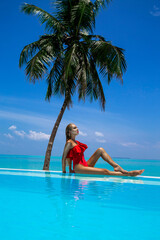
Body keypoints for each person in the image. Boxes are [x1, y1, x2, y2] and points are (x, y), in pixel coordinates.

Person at [62, 123, 144, 176]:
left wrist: (69, 169)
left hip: (85, 165)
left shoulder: (77, 142)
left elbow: (71, 156)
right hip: (78, 168)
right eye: (74, 128)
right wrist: (65, 172)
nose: (77, 129)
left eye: (77, 127)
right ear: (69, 132)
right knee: (104, 171)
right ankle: (128, 174)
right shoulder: (69, 142)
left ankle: (116, 166)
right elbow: (64, 157)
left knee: (100, 150)